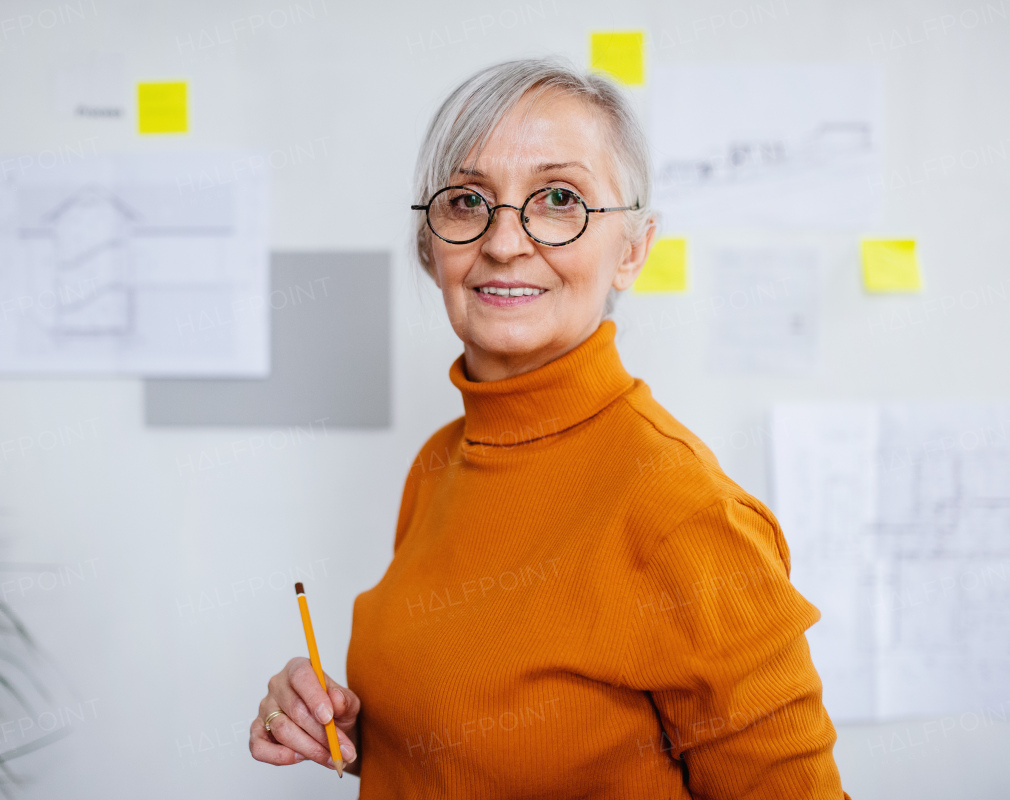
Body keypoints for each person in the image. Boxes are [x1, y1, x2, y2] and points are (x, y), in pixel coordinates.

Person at [250, 57, 850, 799]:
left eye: (559, 197)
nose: (504, 242)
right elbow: (494, 742)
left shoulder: (687, 515)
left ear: (632, 250)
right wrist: (344, 731)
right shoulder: (439, 463)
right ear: (431, 244)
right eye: (468, 200)